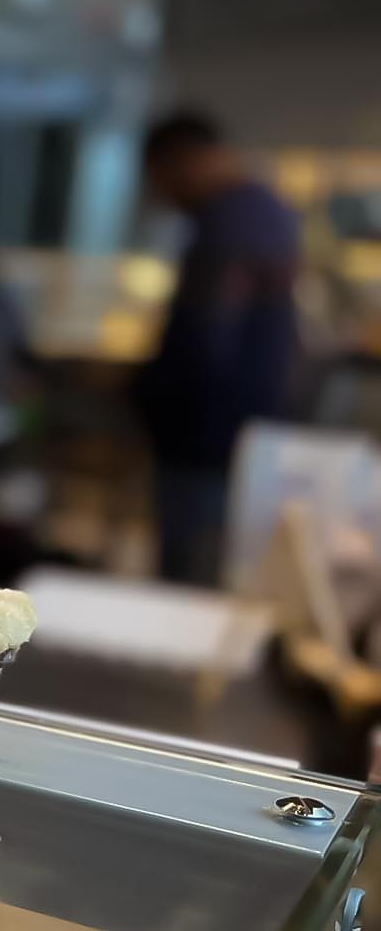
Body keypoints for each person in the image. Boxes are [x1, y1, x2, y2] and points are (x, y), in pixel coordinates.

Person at [137, 109, 300, 585]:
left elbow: (206, 341)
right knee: (222, 572)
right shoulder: (269, 210)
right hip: (249, 434)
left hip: (206, 438)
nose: (162, 195)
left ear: (183, 161)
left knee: (190, 576)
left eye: (160, 179)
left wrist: (144, 393)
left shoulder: (227, 222)